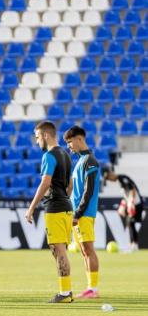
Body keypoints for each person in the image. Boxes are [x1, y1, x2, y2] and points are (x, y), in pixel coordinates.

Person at [25, 121, 74, 303]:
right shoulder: (66, 155)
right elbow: (70, 185)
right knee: (61, 251)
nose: (37, 142)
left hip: (55, 208)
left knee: (58, 250)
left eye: (38, 137)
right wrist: (64, 198)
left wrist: (31, 208)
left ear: (46, 135)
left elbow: (45, 183)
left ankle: (65, 292)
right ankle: (65, 290)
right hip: (66, 207)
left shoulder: (49, 156)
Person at [64, 126, 101, 299]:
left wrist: (78, 213)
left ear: (79, 139)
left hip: (84, 213)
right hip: (78, 213)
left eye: (70, 142)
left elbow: (89, 190)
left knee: (88, 249)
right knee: (84, 250)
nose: (69, 146)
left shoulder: (90, 161)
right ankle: (90, 288)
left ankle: (93, 289)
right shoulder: (80, 161)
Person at [103, 169, 144, 252]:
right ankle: (133, 244)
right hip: (133, 204)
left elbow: (132, 190)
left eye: (108, 177)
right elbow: (126, 195)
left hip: (136, 204)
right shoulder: (120, 181)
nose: (109, 180)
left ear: (111, 173)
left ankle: (134, 245)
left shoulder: (122, 178)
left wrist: (131, 202)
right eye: (107, 179)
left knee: (130, 223)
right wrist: (122, 206)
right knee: (130, 223)